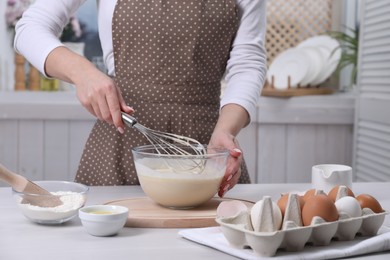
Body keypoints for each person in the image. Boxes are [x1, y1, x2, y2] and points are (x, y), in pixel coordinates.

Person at [14, 0, 267, 197]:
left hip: (208, 151)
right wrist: (82, 73)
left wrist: (226, 130)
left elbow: (248, 62)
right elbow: (30, 28)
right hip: (118, 145)